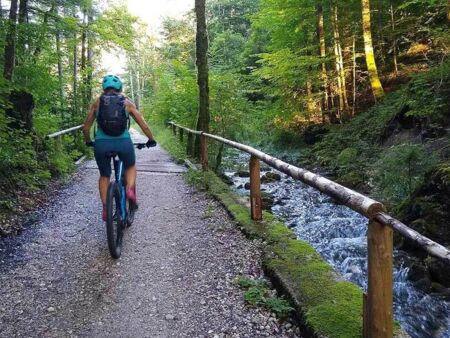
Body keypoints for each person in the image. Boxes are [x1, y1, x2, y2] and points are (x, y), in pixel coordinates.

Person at [82, 74, 156, 221]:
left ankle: (105, 208)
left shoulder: (97, 103)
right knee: (130, 166)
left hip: (102, 144)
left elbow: (86, 128)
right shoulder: (127, 103)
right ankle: (129, 190)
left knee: (104, 175)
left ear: (104, 88)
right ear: (120, 88)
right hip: (123, 142)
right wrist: (151, 139)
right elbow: (143, 125)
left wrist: (89, 141)